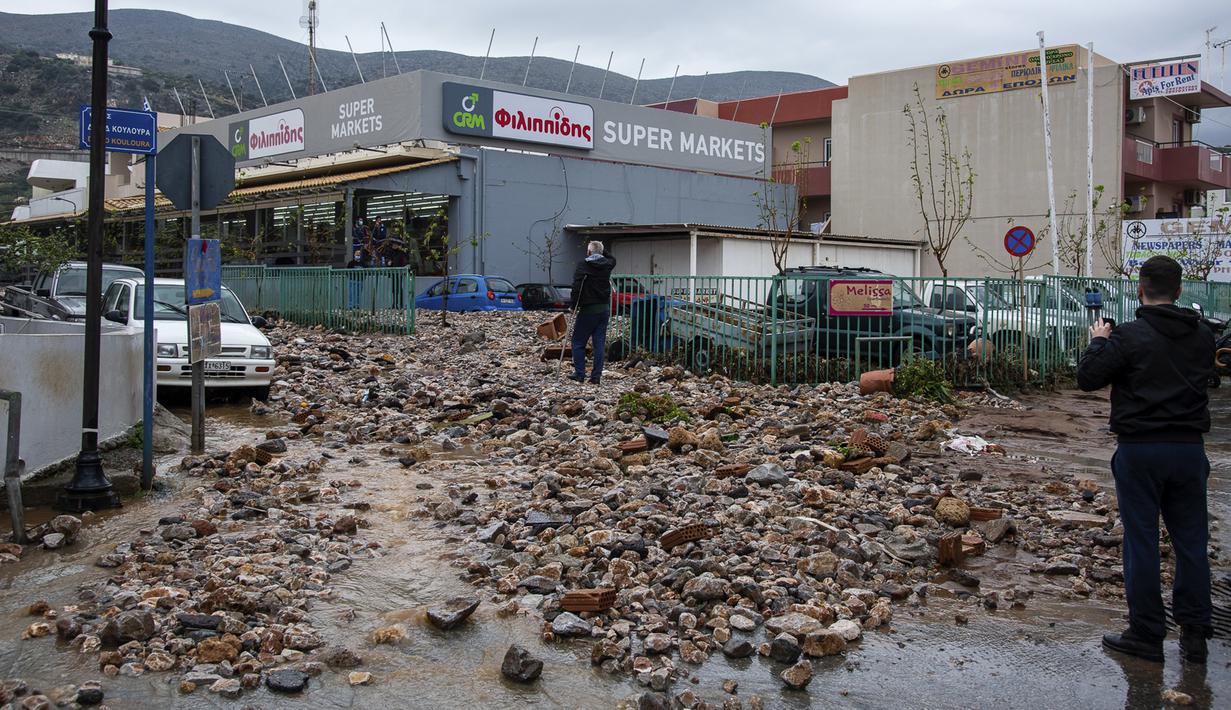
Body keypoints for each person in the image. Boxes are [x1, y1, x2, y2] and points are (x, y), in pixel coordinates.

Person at [1077, 255, 1216, 665]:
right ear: (1179, 290)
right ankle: (1195, 635)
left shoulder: (1129, 336)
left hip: (1140, 449)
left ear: (1140, 290)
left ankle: (1146, 633)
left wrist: (1099, 340)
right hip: (1189, 449)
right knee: (1192, 541)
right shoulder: (1203, 336)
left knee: (1142, 541)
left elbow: (1088, 378)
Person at [569, 240, 616, 384]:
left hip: (589, 309)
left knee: (578, 341)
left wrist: (573, 305)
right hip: (604, 309)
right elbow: (612, 258)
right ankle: (596, 376)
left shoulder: (583, 265)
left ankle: (580, 374)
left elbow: (577, 287)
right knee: (599, 343)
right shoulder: (608, 264)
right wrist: (601, 249)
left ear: (589, 252)